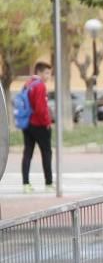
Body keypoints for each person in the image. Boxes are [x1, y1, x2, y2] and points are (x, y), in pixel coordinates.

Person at [20, 61, 54, 193]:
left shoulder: (28, 84)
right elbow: (40, 109)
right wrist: (47, 123)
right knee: (46, 153)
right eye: (46, 73)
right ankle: (49, 183)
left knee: (27, 152)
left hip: (27, 124)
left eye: (49, 73)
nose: (48, 76)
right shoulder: (40, 86)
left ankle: (25, 184)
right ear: (39, 72)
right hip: (39, 125)